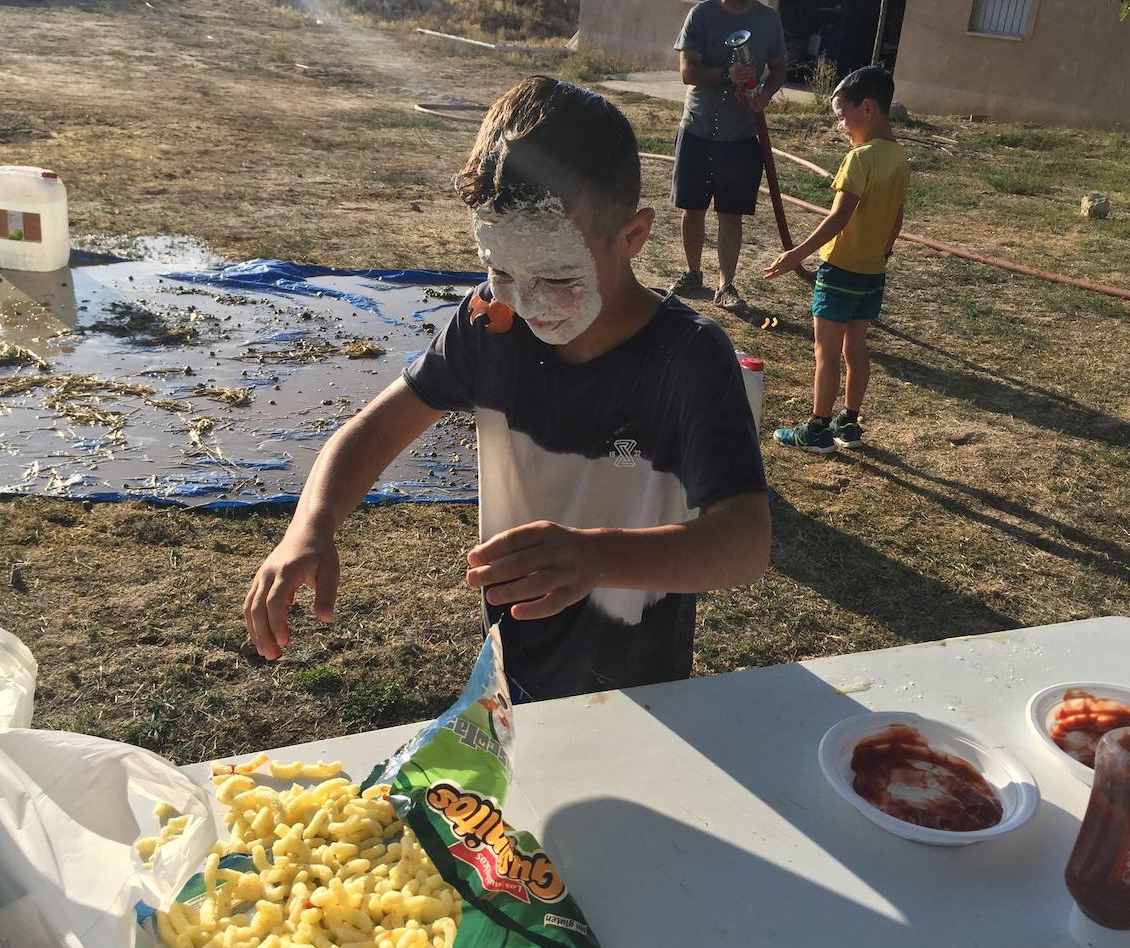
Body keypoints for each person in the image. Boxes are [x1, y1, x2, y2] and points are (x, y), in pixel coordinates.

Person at [243, 78, 770, 702]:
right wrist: (312, 526)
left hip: (641, 685)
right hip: (510, 668)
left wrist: (597, 558)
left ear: (632, 237)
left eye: (554, 275)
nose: (522, 300)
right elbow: (376, 429)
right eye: (499, 269)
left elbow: (744, 542)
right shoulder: (488, 325)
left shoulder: (688, 357)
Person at [763, 66, 908, 453]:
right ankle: (849, 423)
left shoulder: (860, 159)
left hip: (840, 269)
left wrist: (796, 254)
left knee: (825, 352)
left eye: (842, 115)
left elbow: (839, 216)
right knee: (856, 350)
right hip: (872, 272)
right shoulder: (899, 157)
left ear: (867, 108)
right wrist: (885, 251)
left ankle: (817, 429)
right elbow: (897, 216)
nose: (841, 125)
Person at [671, 0, 786, 310]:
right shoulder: (702, 14)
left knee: (731, 213)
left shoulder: (767, 19)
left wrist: (764, 94)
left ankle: (726, 286)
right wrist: (727, 73)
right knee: (692, 207)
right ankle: (693, 273)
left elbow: (778, 68)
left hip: (742, 134)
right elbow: (688, 71)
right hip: (698, 126)